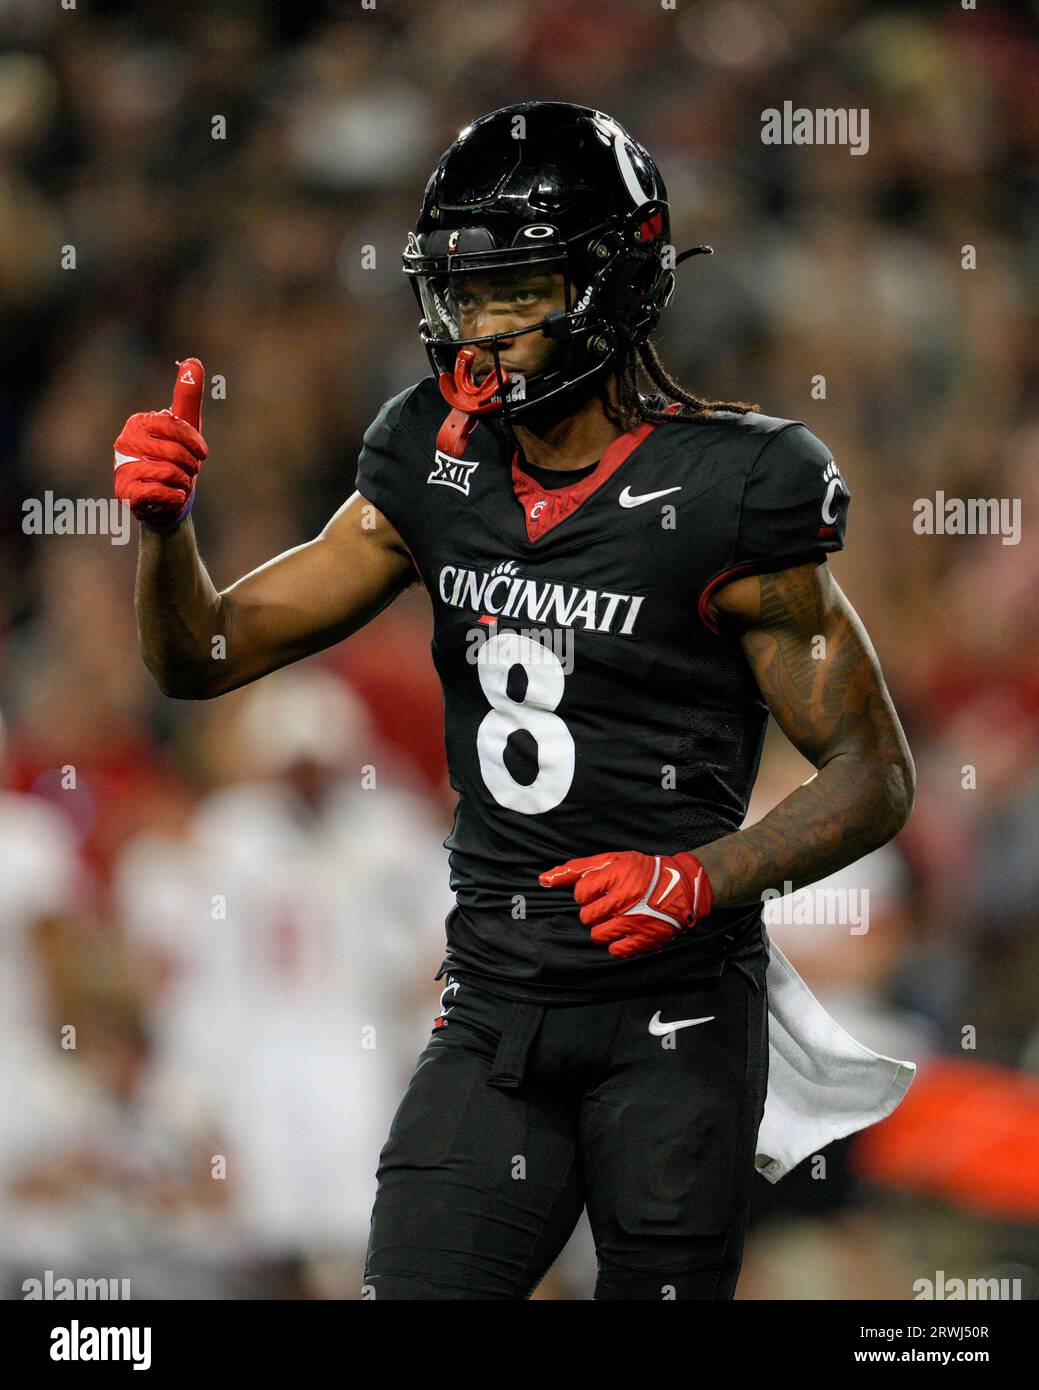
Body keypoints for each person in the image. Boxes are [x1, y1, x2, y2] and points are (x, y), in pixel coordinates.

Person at [113, 101, 915, 1300]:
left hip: (677, 1016)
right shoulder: (431, 458)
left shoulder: (734, 487)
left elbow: (873, 773)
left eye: (512, 289)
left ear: (611, 279)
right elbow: (204, 653)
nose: (473, 324)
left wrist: (701, 876)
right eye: (460, 289)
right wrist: (165, 534)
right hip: (492, 1008)